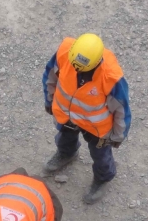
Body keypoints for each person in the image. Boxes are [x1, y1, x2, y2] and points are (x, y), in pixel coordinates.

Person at [42, 33, 131, 204]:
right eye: (74, 65)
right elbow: (50, 76)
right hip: (67, 116)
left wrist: (118, 135)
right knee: (64, 139)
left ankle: (103, 178)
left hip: (96, 128)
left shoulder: (111, 77)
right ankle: (67, 153)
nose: (76, 69)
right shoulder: (64, 52)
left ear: (97, 63)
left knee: (101, 155)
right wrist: (49, 99)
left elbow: (121, 109)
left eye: (82, 68)